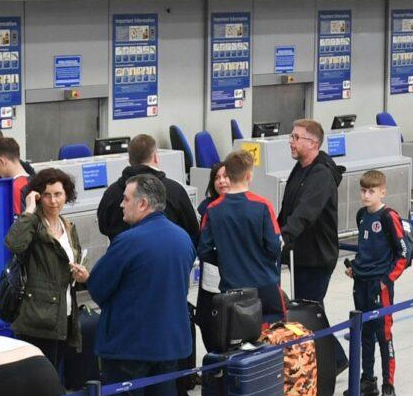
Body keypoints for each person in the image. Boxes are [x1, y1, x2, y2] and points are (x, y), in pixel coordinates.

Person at [89, 174, 197, 396]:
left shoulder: (127, 241)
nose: (120, 204)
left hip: (129, 345)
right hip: (170, 343)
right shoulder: (182, 239)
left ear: (143, 203)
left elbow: (98, 287)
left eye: (126, 199)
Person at [4, 167, 88, 381]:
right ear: (39, 197)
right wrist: (29, 210)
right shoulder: (32, 224)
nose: (53, 201)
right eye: (47, 195)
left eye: (58, 194)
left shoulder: (68, 226)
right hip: (37, 318)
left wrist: (81, 275)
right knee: (38, 380)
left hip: (64, 313)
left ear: (66, 194)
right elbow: (14, 243)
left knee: (53, 375)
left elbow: (72, 262)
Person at [349, 170, 411, 396]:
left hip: (380, 285)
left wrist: (387, 280)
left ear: (382, 192)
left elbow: (403, 253)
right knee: (363, 332)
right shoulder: (361, 216)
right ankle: (368, 381)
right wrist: (355, 268)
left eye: (371, 191)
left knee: (383, 334)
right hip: (361, 283)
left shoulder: (389, 216)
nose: (366, 195)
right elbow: (365, 250)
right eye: (363, 191)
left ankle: (388, 384)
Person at [199, 148, 285, 317]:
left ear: (228, 175)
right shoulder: (263, 206)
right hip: (264, 284)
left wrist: (226, 261)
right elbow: (275, 246)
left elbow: (204, 250)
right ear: (248, 175)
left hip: (231, 287)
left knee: (235, 337)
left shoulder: (212, 210)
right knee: (272, 337)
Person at [278, 119, 343, 308]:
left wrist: (283, 237)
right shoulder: (300, 168)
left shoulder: (321, 174)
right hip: (300, 255)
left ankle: (322, 339)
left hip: (316, 259)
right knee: (305, 310)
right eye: (291, 136)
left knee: (310, 311)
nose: (291, 141)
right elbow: (288, 208)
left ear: (313, 143)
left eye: (297, 137)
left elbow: (305, 212)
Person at [96, 133, 198, 241]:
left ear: (130, 159)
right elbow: (192, 230)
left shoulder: (111, 193)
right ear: (155, 157)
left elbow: (103, 227)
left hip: (122, 255)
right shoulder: (175, 191)